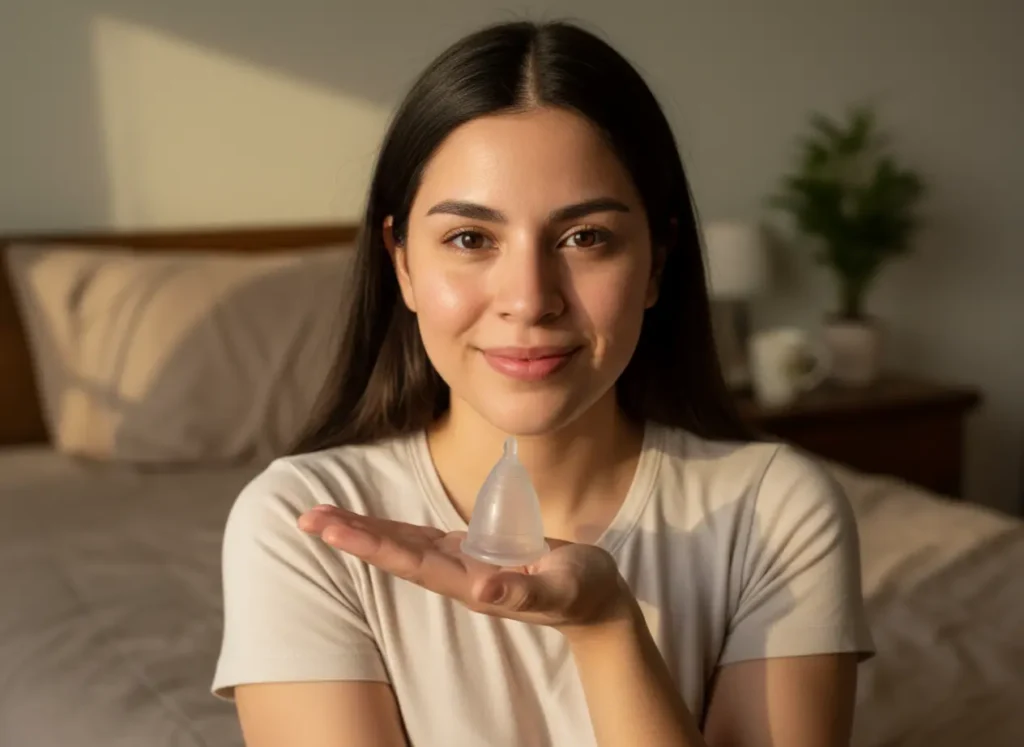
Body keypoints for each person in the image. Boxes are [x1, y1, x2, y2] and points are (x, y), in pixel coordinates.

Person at [212, 19, 874, 747]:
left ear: (657, 261)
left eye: (585, 237)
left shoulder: (775, 511)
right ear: (401, 262)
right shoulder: (304, 523)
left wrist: (607, 628)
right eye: (471, 239)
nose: (529, 299)